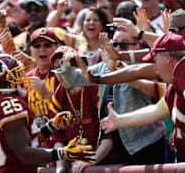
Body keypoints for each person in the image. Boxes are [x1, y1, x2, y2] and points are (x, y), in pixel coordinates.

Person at [58, 29, 166, 165]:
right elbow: (75, 79)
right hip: (118, 141)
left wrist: (119, 69)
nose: (118, 49)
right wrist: (65, 65)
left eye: (124, 45)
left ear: (136, 48)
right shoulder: (103, 67)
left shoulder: (143, 67)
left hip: (146, 141)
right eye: (114, 44)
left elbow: (154, 91)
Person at [0, 54, 95, 172]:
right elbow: (25, 153)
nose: (21, 78)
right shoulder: (8, 104)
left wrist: (52, 126)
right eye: (15, 74)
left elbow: (27, 141)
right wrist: (62, 153)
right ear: (2, 80)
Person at [100, 32, 185, 161]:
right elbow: (155, 111)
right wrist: (118, 120)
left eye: (154, 61)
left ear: (167, 57)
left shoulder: (182, 72)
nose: (154, 67)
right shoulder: (174, 87)